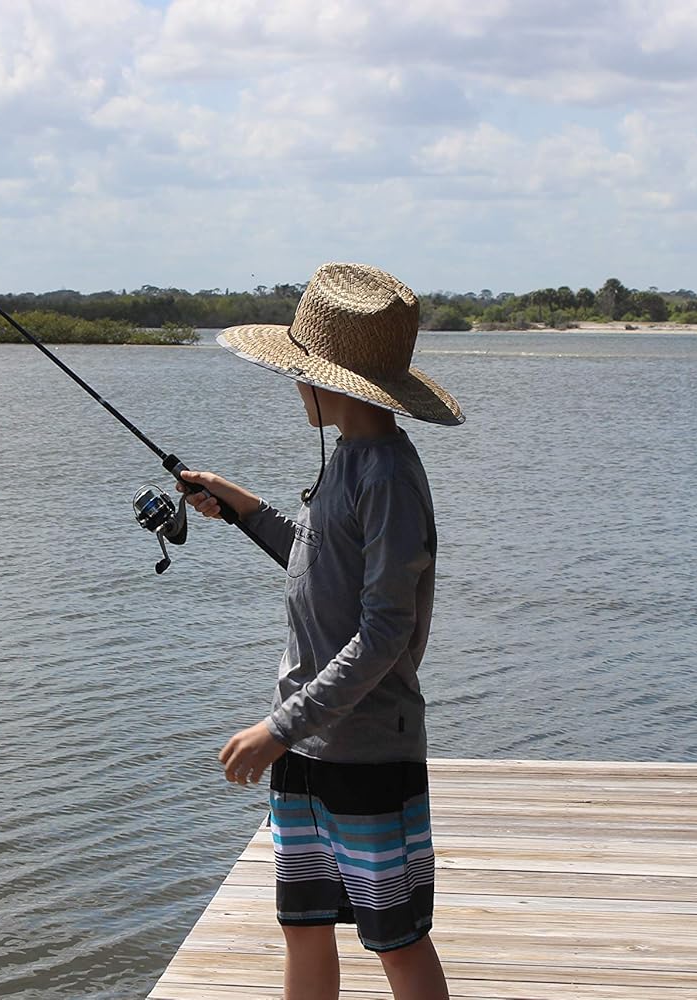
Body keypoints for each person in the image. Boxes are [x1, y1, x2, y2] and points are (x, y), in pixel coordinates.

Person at [178, 262, 461, 1000]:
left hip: (364, 749)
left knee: (397, 939)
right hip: (306, 744)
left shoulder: (387, 474)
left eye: (299, 370)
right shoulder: (350, 458)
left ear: (325, 378)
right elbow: (317, 556)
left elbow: (386, 630)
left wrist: (277, 728)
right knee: (302, 926)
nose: (294, 383)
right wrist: (240, 506)